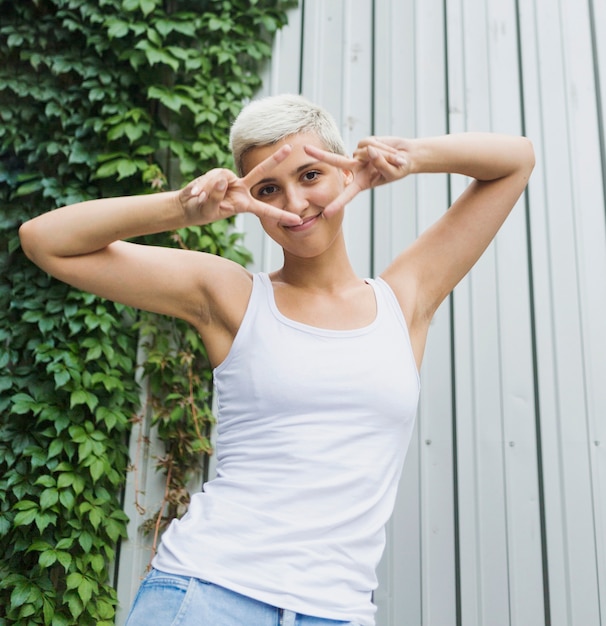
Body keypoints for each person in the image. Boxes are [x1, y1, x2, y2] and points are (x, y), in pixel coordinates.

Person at [19, 94, 535, 626]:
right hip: (209, 594)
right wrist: (183, 207)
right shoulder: (231, 296)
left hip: (338, 611)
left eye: (311, 174)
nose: (294, 202)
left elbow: (516, 159)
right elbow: (44, 240)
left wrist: (412, 156)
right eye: (268, 187)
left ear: (344, 173)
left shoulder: (404, 301)